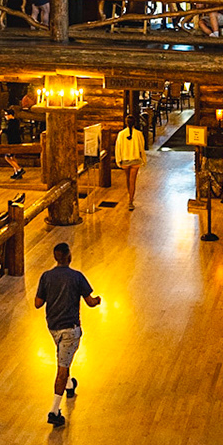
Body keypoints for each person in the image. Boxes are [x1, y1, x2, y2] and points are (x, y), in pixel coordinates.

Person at [33, 242, 101, 428]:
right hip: (70, 329)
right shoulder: (77, 277)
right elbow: (90, 302)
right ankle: (54, 411)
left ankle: (70, 385)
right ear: (69, 256)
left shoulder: (46, 276)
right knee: (62, 368)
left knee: (64, 357)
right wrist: (98, 300)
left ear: (56, 257)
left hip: (53, 328)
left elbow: (38, 303)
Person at [112, 116, 147, 209]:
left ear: (126, 123)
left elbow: (117, 148)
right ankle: (130, 201)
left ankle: (129, 195)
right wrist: (144, 160)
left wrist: (118, 160)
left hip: (125, 161)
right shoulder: (139, 134)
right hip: (135, 160)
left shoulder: (121, 134)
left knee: (127, 179)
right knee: (133, 181)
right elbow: (141, 148)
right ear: (135, 123)